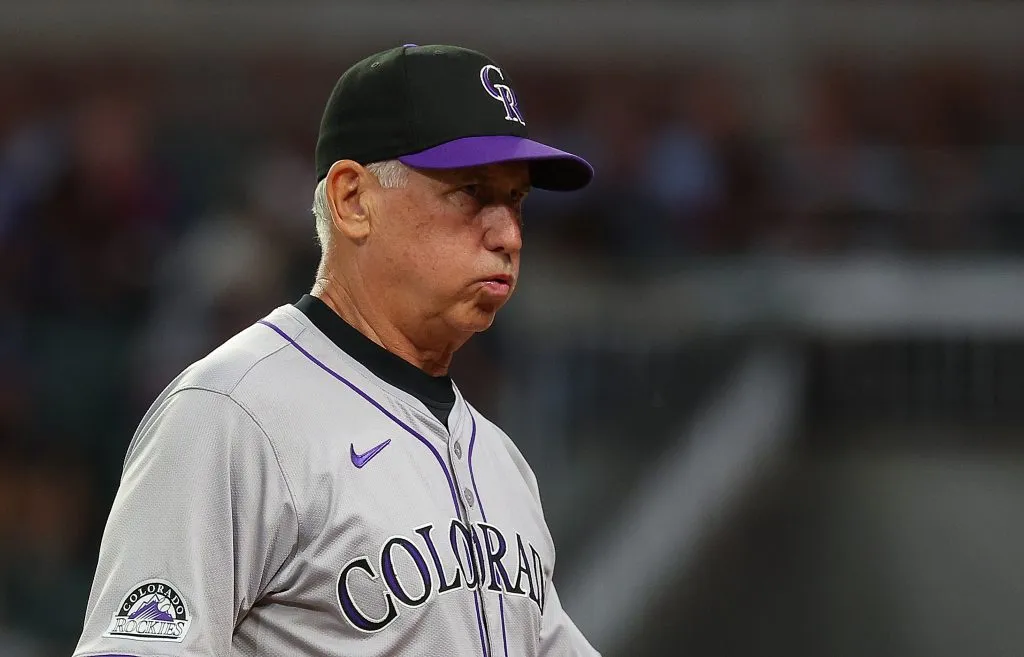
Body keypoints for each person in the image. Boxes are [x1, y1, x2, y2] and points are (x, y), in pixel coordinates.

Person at [73, 44, 599, 656]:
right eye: (471, 192)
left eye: (515, 200)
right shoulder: (230, 413)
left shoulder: (503, 463)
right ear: (353, 200)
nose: (506, 233)